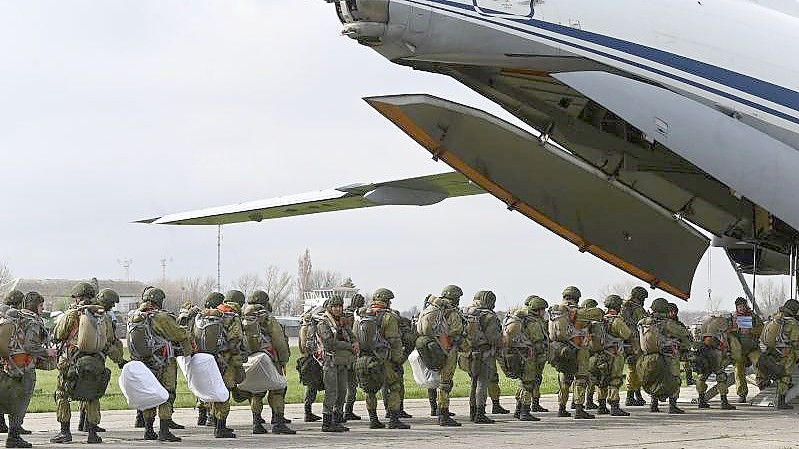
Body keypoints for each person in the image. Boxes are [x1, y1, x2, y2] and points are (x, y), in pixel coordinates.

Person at [51, 282, 116, 444]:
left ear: (77, 297)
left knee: (62, 394)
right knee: (92, 396)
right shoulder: (103, 316)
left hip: (71, 362)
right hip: (96, 362)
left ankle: (65, 432)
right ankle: (93, 434)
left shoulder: (72, 314)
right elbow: (110, 340)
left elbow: (58, 334)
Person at [128, 287, 192, 442]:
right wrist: (186, 328)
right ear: (158, 300)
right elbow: (178, 333)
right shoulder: (161, 317)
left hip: (144, 362)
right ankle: (164, 430)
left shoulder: (134, 316)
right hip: (164, 361)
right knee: (166, 394)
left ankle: (148, 430)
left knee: (150, 394)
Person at [5, 291, 55, 448]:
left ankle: (13, 435)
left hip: (11, 366)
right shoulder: (32, 322)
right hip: (25, 368)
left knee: (12, 400)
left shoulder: (16, 317)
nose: (42, 309)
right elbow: (30, 345)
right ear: (34, 306)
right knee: (21, 403)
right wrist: (47, 352)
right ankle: (13, 437)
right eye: (41, 305)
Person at [354, 288, 410, 430]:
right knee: (394, 387)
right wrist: (398, 360)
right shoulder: (388, 317)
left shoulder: (360, 316)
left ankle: (373, 420)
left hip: (365, 358)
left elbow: (354, 338)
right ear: (387, 301)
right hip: (384, 359)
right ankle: (394, 419)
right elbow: (394, 340)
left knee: (370, 390)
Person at [240, 290, 295, 434]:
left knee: (256, 392)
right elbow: (279, 341)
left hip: (251, 359)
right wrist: (284, 359)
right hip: (270, 358)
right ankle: (278, 423)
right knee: (277, 390)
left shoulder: (242, 317)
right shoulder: (268, 317)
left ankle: (256, 423)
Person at [417, 285, 469, 426]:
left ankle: (436, 409)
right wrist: (466, 347)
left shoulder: (430, 308)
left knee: (435, 381)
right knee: (445, 383)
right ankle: (443, 415)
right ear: (455, 297)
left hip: (433, 347)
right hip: (447, 349)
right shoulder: (450, 312)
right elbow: (457, 332)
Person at [637, 298, 691, 414]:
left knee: (656, 378)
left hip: (649, 355)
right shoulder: (667, 323)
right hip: (668, 355)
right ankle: (672, 405)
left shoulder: (643, 322)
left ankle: (654, 404)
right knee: (674, 378)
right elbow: (684, 333)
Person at [549, 286, 593, 419]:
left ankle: (561, 408)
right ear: (577, 298)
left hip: (561, 349)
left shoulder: (554, 312)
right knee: (581, 377)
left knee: (564, 380)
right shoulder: (579, 312)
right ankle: (579, 408)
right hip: (579, 349)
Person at [316, 295, 358, 432]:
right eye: (335, 306)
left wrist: (355, 343)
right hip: (330, 362)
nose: (338, 309)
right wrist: (348, 346)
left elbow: (352, 336)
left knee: (342, 392)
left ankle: (337, 419)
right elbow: (329, 343)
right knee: (331, 393)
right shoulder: (324, 323)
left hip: (343, 363)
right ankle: (327, 423)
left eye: (340, 306)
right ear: (330, 307)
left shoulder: (342, 322)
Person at [502, 295, 547, 421]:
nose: (544, 312)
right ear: (537, 309)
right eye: (543, 310)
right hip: (528, 356)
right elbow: (537, 340)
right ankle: (525, 411)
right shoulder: (533, 322)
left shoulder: (523, 319)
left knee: (523, 383)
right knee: (528, 384)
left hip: (520, 355)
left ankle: (518, 409)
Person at [207, 290, 245, 438]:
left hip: (211, 360)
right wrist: (237, 361)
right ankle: (221, 428)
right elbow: (235, 341)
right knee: (224, 393)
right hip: (226, 361)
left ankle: (216, 424)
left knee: (215, 392)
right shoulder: (232, 317)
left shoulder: (214, 314)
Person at [461, 291, 502, 424]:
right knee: (482, 383)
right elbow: (493, 338)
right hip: (484, 354)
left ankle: (472, 412)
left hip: (468, 354)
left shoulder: (465, 312)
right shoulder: (488, 315)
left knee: (473, 383)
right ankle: (480, 413)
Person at [592, 295, 633, 416]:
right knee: (615, 379)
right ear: (617, 307)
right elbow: (627, 335)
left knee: (602, 379)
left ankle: (602, 405)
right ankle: (614, 406)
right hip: (615, 354)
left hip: (600, 354)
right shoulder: (617, 321)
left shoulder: (600, 320)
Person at [760, 299, 799, 409]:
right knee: (785, 375)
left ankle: (766, 381)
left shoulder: (775, 319)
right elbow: (795, 342)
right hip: (786, 353)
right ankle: (781, 402)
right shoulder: (793, 323)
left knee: (779, 372)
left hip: (772, 351)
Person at [695, 311, 736, 410]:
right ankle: (724, 401)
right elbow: (723, 339)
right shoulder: (722, 322)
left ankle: (701, 400)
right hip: (715, 352)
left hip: (704, 351)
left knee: (702, 376)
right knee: (720, 376)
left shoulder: (707, 321)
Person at [729, 297, 763, 403]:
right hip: (739, 350)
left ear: (746, 306)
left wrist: (751, 330)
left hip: (752, 348)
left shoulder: (753, 317)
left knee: (759, 361)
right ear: (736, 308)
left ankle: (762, 382)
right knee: (738, 369)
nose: (741, 308)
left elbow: (762, 329)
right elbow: (726, 332)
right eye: (739, 307)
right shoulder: (732, 319)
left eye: (743, 306)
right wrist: (733, 329)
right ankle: (742, 393)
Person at [621, 286, 649, 406]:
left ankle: (636, 395)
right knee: (634, 370)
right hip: (634, 343)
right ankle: (630, 396)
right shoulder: (637, 309)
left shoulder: (625, 307)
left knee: (634, 370)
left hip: (623, 343)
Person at [298, 304, 323, 423]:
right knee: (313, 387)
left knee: (311, 387)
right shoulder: (311, 327)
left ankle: (308, 412)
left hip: (306, 359)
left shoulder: (303, 327)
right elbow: (307, 346)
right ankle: (308, 412)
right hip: (312, 360)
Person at [344, 293, 365, 422]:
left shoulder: (344, 315)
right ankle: (347, 411)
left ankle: (346, 411)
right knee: (351, 386)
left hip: (347, 355)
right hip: (351, 355)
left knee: (347, 386)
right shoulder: (354, 317)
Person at [666, 303, 695, 388]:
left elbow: (686, 334)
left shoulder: (679, 324)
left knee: (687, 362)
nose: (673, 313)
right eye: (671, 312)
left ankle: (689, 379)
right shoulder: (666, 323)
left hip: (681, 348)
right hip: (670, 349)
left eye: (675, 312)